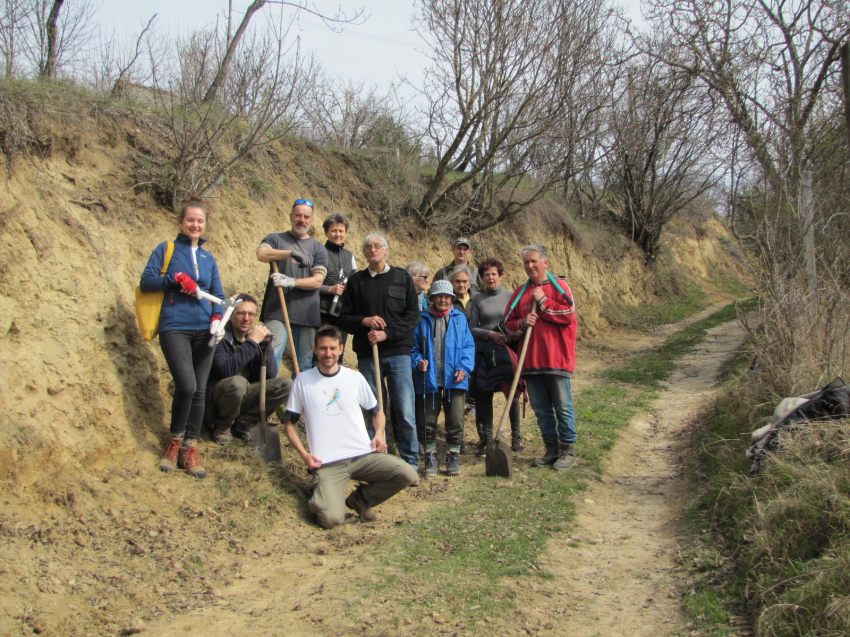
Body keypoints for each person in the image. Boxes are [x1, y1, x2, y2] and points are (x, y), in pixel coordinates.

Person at [283, 326, 418, 529]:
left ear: (341, 349)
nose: (328, 353)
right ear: (315, 349)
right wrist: (305, 455)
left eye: (332, 348)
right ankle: (321, 495)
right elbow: (289, 425)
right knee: (331, 520)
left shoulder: (354, 378)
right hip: (327, 463)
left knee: (407, 474)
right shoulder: (303, 381)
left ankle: (361, 500)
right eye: (323, 348)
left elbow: (377, 412)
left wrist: (379, 434)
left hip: (362, 455)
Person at [140, 200, 224, 479]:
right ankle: (174, 441)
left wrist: (216, 318)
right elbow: (147, 281)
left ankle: (190, 446)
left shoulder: (209, 259)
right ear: (181, 222)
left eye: (200, 221)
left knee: (200, 389)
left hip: (206, 330)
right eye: (190, 220)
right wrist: (175, 279)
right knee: (186, 385)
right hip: (174, 326)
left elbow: (218, 295)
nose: (195, 225)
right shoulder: (167, 249)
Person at [336, 233, 421, 471]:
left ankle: (410, 461)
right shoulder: (356, 282)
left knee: (404, 408)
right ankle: (381, 458)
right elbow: (343, 319)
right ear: (364, 254)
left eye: (377, 246)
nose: (373, 249)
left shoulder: (402, 278)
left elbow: (412, 316)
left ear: (385, 251)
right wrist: (364, 321)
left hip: (398, 353)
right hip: (368, 355)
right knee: (374, 409)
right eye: (368, 247)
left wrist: (388, 333)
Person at [505, 244, 578, 470]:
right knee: (542, 410)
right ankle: (551, 450)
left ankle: (568, 451)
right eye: (526, 262)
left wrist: (544, 301)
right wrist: (521, 323)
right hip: (531, 363)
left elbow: (569, 314)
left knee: (563, 407)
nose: (529, 265)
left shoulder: (560, 286)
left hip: (557, 360)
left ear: (545, 262)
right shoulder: (519, 293)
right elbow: (507, 325)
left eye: (534, 261)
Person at [205, 294, 293, 444]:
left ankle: (244, 423)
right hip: (222, 397)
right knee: (238, 383)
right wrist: (252, 342)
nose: (246, 318)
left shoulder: (256, 339)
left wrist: (265, 346)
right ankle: (222, 426)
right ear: (231, 315)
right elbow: (226, 370)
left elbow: (270, 376)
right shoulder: (221, 336)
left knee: (286, 384)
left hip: (246, 395)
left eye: (251, 314)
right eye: (241, 313)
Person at [256, 198, 328, 374]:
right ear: (290, 216)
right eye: (298, 215)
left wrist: (291, 282)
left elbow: (318, 280)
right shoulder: (276, 239)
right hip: (277, 310)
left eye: (306, 217)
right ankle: (270, 398)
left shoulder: (318, 248)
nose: (301, 220)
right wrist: (290, 253)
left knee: (304, 366)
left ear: (311, 220)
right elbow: (261, 253)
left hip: (306, 315)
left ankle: (299, 401)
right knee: (270, 359)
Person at [411, 280, 475, 477]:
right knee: (427, 422)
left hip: (454, 379)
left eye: (447, 297)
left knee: (455, 421)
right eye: (439, 296)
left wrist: (464, 368)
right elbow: (412, 348)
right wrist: (418, 362)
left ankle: (453, 456)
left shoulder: (459, 319)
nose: (443, 300)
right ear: (432, 299)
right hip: (428, 379)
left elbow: (468, 347)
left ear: (452, 299)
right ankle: (430, 457)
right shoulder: (421, 320)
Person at [467, 258, 523, 456]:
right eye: (486, 275)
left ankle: (517, 437)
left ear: (501, 275)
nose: (490, 278)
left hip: (507, 352)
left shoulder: (512, 297)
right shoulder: (476, 300)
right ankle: (486, 440)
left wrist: (509, 337)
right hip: (483, 354)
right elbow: (471, 327)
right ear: (481, 279)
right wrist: (491, 334)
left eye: (493, 274)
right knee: (483, 395)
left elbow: (517, 322)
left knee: (512, 394)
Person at [316, 213, 358, 363]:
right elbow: (311, 282)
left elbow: (355, 280)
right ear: (326, 232)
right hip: (322, 310)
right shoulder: (319, 251)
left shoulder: (350, 256)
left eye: (341, 231)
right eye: (334, 230)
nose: (338, 234)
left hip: (342, 312)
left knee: (339, 351)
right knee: (320, 351)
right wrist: (329, 289)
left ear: (346, 233)